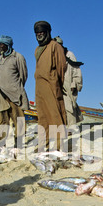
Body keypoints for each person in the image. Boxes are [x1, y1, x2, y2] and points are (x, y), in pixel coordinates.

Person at [34, 21, 67, 151]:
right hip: (39, 86)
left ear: (47, 32)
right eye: (37, 33)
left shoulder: (55, 46)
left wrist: (55, 83)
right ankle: (44, 144)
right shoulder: (37, 49)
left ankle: (60, 146)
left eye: (42, 32)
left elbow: (61, 67)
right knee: (42, 117)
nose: (39, 35)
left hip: (52, 85)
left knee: (56, 115)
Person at [0, 35, 29, 148]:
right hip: (1, 95)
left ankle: (18, 143)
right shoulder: (0, 59)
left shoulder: (18, 57)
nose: (0, 46)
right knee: (3, 121)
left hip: (15, 94)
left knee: (19, 120)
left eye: (2, 44)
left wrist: (15, 88)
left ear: (8, 45)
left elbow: (23, 75)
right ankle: (2, 143)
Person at [53, 36, 84, 126]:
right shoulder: (54, 56)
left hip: (69, 84)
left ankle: (71, 127)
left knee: (69, 106)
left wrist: (76, 83)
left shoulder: (69, 54)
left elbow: (76, 70)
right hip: (58, 84)